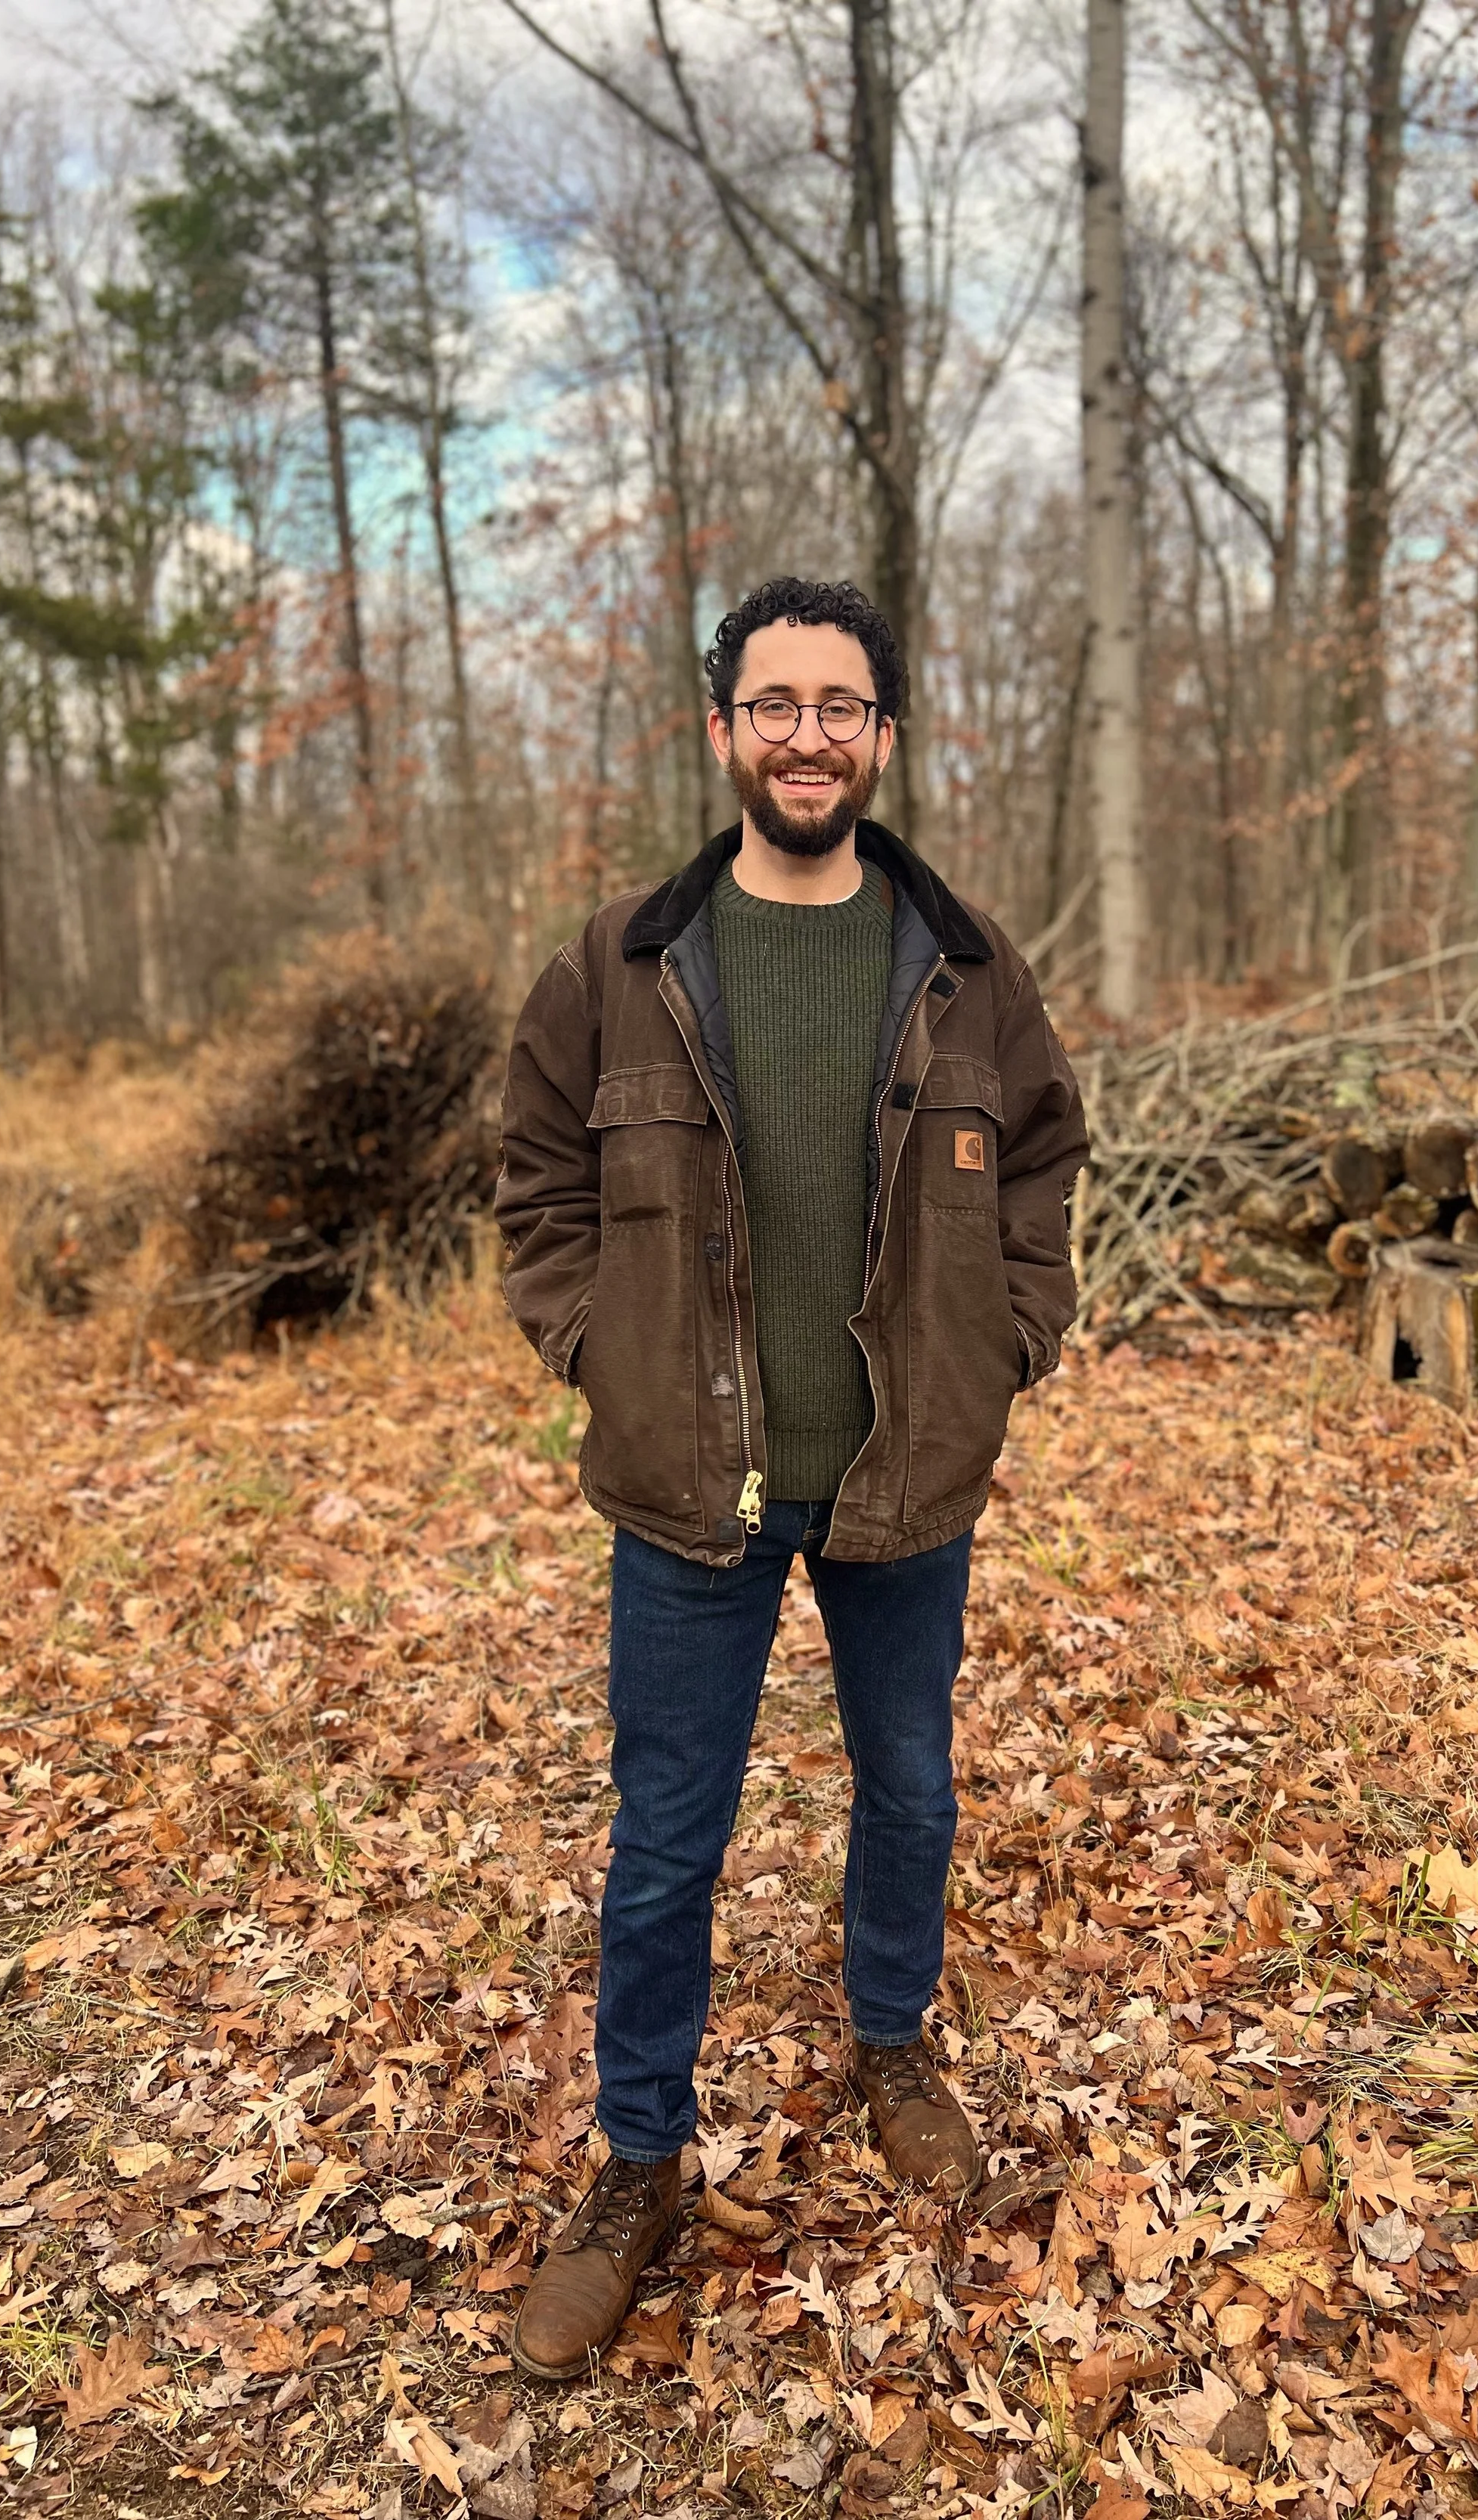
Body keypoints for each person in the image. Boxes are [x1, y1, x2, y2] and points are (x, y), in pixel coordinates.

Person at [492, 575, 1088, 2379]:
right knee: (667, 1840)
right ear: (722, 729)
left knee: (908, 1786)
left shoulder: (968, 966)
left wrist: (1009, 1339)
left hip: (906, 1475)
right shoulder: (618, 964)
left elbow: (1048, 1169)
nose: (807, 733)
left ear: (882, 737)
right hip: (694, 1487)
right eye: (775, 702)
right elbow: (538, 1191)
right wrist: (606, 1350)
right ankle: (640, 2161)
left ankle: (891, 2045)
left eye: (841, 704)